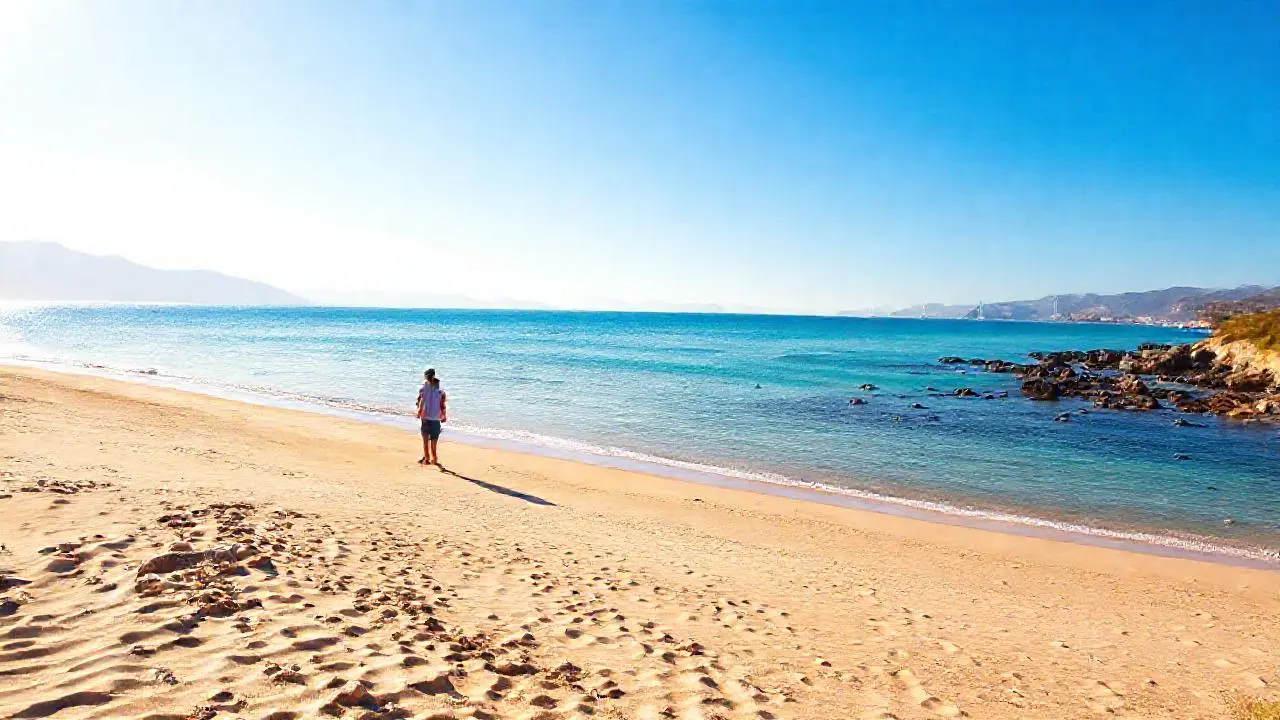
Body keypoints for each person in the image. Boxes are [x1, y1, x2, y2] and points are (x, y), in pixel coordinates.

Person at [415, 369, 447, 465]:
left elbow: (419, 401)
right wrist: (444, 416)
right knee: (433, 441)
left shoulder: (423, 389)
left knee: (425, 440)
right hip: (435, 419)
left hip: (425, 418)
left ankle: (427, 458)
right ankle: (434, 459)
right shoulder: (441, 393)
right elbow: (443, 406)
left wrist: (419, 411)